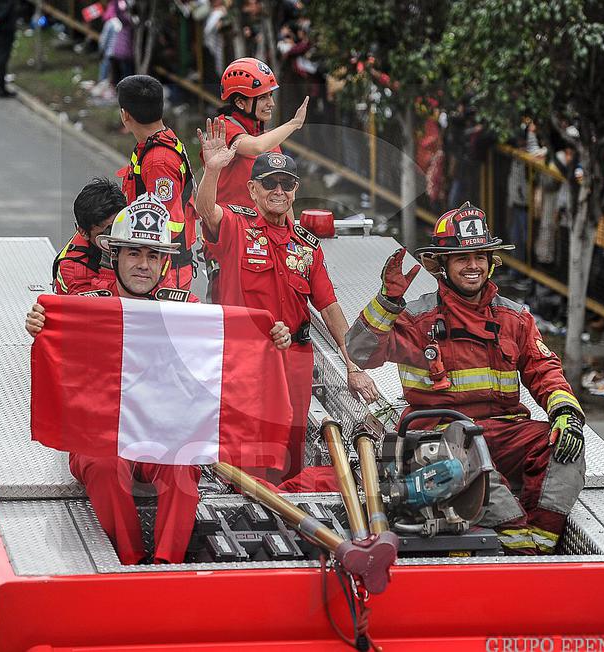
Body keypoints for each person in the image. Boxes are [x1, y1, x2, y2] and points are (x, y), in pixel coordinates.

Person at [26, 195, 293, 564]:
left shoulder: (187, 312)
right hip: (101, 431)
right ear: (114, 256)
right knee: (105, 468)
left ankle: (167, 564)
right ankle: (131, 562)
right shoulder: (89, 307)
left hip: (164, 431)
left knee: (183, 468)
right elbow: (56, 346)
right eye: (134, 253)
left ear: (164, 263)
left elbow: (233, 343)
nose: (143, 265)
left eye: (153, 256)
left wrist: (271, 336)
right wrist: (40, 325)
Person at [345, 202, 586, 555]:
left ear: (491, 262)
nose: (473, 265)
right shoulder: (417, 319)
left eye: (480, 256)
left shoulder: (514, 318)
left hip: (504, 431)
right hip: (442, 437)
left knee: (565, 445)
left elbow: (543, 369)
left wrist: (565, 413)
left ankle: (541, 540)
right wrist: (387, 300)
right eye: (462, 258)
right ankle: (522, 549)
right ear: (442, 266)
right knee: (475, 470)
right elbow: (360, 352)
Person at [195, 120, 378, 482]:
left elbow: (330, 309)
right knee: (245, 451)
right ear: (252, 189)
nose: (278, 190)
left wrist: (353, 366)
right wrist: (212, 172)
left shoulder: (307, 247)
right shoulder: (236, 228)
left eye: (287, 184)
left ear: (295, 191)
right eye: (270, 183)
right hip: (244, 359)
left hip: (295, 360)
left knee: (290, 449)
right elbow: (206, 210)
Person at [202, 58, 309, 300]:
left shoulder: (268, 140)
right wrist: (294, 124)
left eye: (270, 96)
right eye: (262, 97)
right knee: (229, 317)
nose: (270, 103)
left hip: (262, 243)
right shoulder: (225, 128)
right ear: (239, 102)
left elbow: (284, 201)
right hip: (229, 240)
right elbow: (255, 147)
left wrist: (296, 241)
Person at [115, 75, 198, 290]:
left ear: (125, 115)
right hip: (156, 265)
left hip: (163, 271)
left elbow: (162, 222)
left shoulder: (157, 161)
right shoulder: (160, 142)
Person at [51, 178, 125, 296]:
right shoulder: (74, 270)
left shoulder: (127, 226)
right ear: (83, 232)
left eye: (119, 226)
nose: (116, 236)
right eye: (108, 231)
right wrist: (109, 265)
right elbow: (100, 310)